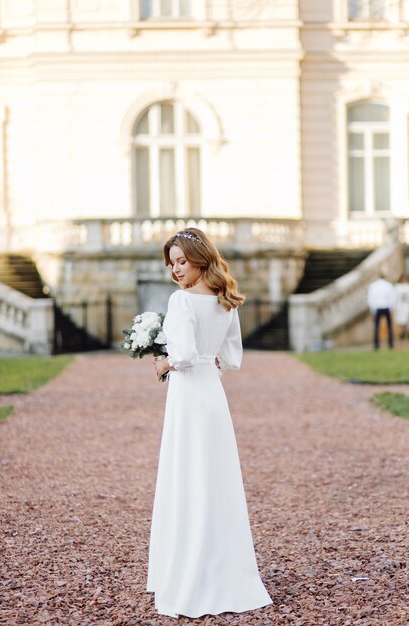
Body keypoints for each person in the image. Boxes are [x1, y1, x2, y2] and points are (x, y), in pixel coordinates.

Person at [147, 227, 273, 619]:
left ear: (200, 259)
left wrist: (163, 363)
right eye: (171, 264)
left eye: (181, 261)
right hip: (213, 397)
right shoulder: (226, 302)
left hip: (187, 396)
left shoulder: (181, 302)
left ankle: (188, 573)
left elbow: (182, 353)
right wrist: (205, 362)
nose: (176, 270)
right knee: (214, 480)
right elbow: (232, 359)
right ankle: (223, 570)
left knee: (187, 477)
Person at [367, 273, 396, 350]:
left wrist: (372, 309)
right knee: (389, 327)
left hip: (377, 308)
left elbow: (370, 298)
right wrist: (391, 308)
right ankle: (391, 344)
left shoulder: (373, 286)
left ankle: (376, 345)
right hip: (386, 307)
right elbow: (392, 297)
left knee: (376, 327)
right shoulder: (388, 285)